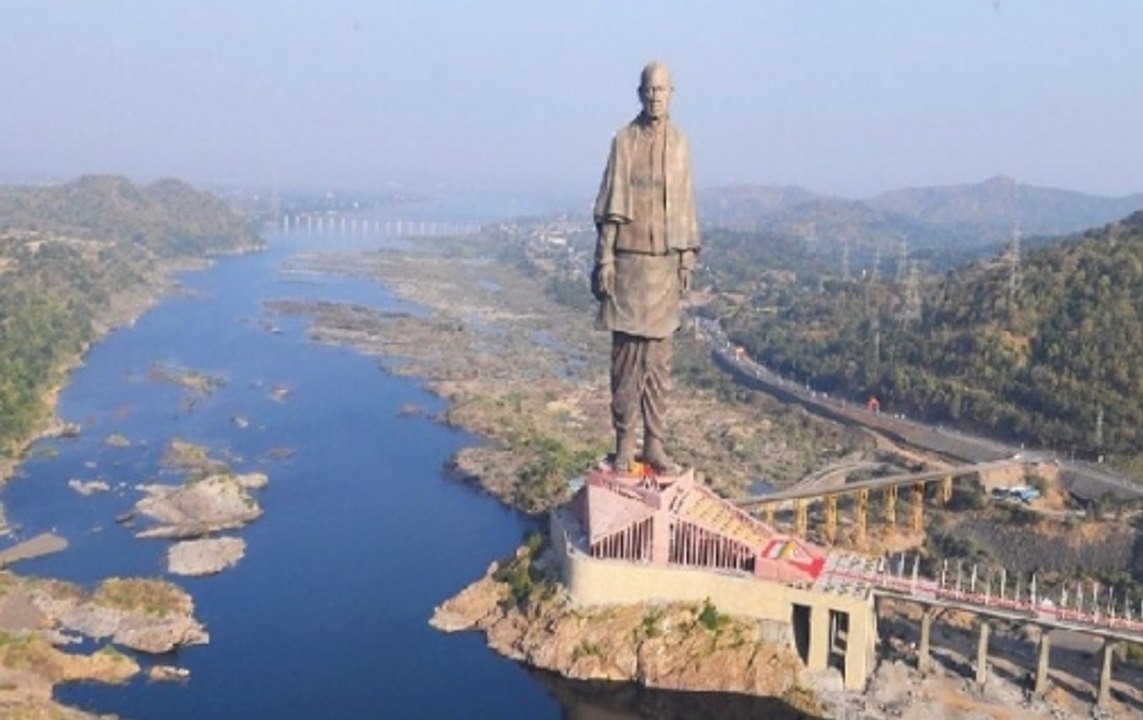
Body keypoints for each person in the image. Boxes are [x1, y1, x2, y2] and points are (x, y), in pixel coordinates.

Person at [591, 61, 699, 473]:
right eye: (649, 90)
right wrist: (605, 257)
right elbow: (610, 208)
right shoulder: (624, 141)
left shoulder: (681, 144)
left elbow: (686, 204)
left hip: (665, 265)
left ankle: (654, 444)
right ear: (639, 93)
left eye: (662, 90)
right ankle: (624, 442)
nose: (655, 97)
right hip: (630, 263)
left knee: (659, 364)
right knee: (625, 362)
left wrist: (686, 257)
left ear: (672, 93)